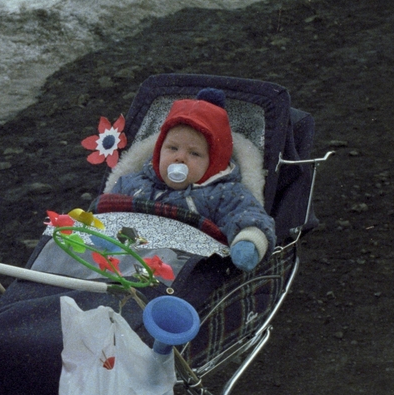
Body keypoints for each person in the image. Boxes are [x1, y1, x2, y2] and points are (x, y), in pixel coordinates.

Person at [107, 87, 275, 272]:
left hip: (186, 269)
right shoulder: (134, 183)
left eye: (194, 153)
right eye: (172, 148)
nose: (180, 158)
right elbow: (107, 212)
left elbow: (250, 216)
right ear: (158, 151)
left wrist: (248, 241)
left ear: (214, 162)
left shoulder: (225, 193)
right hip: (127, 261)